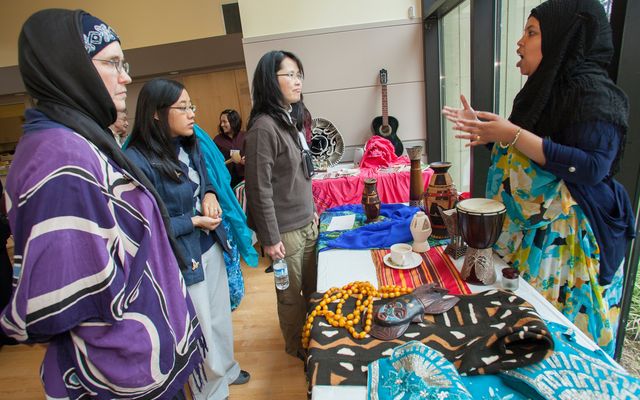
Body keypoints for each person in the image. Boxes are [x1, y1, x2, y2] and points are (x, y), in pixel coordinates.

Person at [0, 10, 205, 399]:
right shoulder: (59, 156)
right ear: (69, 68)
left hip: (138, 362)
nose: (126, 76)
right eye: (112, 62)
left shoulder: (77, 140)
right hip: (122, 375)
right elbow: (64, 302)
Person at [443, 0, 635, 356]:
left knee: (561, 344)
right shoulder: (543, 92)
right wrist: (495, 136)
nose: (519, 42)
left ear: (564, 39)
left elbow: (592, 167)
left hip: (570, 245)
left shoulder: (595, 93)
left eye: (531, 32)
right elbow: (537, 157)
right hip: (535, 240)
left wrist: (510, 134)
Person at [125, 78, 250, 399]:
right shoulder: (138, 160)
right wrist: (194, 219)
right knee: (202, 328)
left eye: (191, 106)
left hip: (209, 245)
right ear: (155, 113)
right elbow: (149, 222)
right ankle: (211, 390)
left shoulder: (189, 143)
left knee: (221, 317)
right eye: (183, 108)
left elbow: (205, 178)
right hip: (182, 257)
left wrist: (209, 194)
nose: (192, 113)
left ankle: (227, 368)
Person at [244, 50, 319, 360]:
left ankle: (315, 340)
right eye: (289, 74)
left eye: (298, 74)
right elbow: (258, 188)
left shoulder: (290, 119)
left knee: (313, 291)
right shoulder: (264, 127)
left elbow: (300, 173)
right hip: (284, 233)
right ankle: (297, 348)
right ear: (269, 81)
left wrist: (312, 209)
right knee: (290, 297)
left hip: (306, 222)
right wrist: (271, 237)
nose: (297, 80)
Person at [214, 109, 246, 189]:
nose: (222, 125)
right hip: (229, 180)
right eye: (221, 122)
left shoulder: (245, 136)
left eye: (224, 122)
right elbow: (215, 161)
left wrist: (245, 161)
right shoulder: (217, 140)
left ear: (233, 122)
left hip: (246, 177)